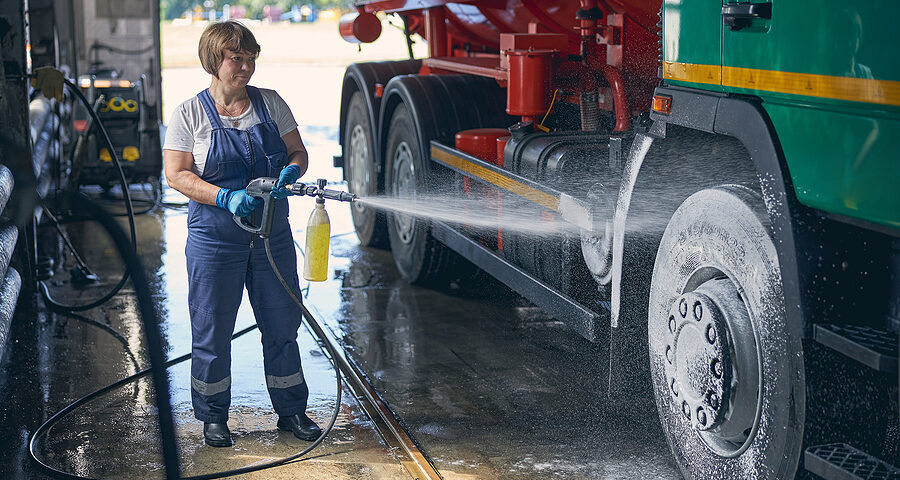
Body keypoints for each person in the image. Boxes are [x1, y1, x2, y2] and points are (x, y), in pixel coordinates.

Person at [163, 20, 320, 447]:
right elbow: (176, 175)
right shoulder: (189, 114)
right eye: (237, 58)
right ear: (215, 61)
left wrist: (293, 169)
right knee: (212, 331)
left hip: (272, 237)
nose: (246, 66)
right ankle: (213, 417)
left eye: (251, 57)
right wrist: (225, 198)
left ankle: (292, 411)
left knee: (283, 324)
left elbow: (298, 151)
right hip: (215, 241)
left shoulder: (270, 104)